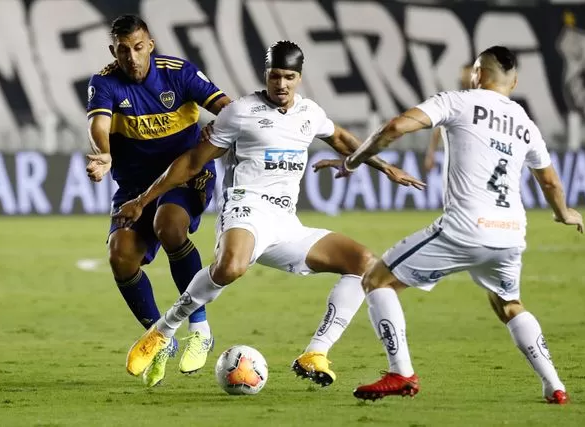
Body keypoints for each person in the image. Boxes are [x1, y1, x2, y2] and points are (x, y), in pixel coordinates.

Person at [117, 40, 426, 386]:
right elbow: (193, 161)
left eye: (289, 77)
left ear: (299, 78)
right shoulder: (241, 112)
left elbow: (339, 137)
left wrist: (385, 168)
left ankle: (316, 353)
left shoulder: (310, 114)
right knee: (231, 267)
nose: (281, 84)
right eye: (275, 76)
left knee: (365, 265)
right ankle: (163, 331)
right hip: (244, 210)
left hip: (284, 223)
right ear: (265, 75)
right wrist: (144, 199)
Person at [316, 46, 583, 404]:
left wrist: (353, 160)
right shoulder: (525, 123)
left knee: (376, 279)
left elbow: (395, 126)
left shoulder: (459, 100)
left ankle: (401, 373)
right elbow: (549, 181)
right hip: (509, 234)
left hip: (464, 228)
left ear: (477, 74)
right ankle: (554, 385)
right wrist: (563, 213)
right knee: (508, 305)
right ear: (514, 82)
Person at [85, 14, 232, 387]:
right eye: (123, 50)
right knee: (120, 256)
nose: (132, 57)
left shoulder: (178, 73)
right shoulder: (104, 83)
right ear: (113, 51)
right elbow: (99, 125)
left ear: (150, 44)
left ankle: (199, 328)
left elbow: (227, 106)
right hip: (134, 186)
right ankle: (158, 337)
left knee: (169, 225)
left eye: (138, 48)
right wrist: (102, 153)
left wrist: (226, 124)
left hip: (184, 177)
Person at [423, 63, 473, 172]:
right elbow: (439, 127)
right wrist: (431, 153)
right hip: (459, 157)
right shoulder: (456, 101)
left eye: (467, 77)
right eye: (463, 78)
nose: (464, 81)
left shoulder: (487, 101)